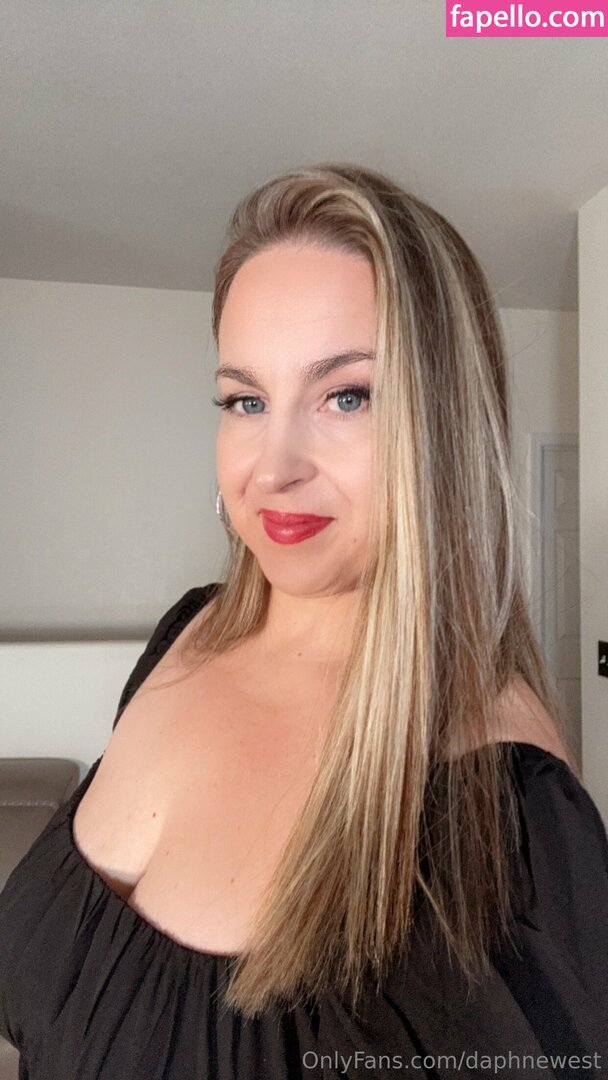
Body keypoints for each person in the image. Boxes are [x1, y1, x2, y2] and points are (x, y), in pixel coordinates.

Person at [0, 163, 606, 1080]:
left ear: (443, 428)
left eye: (346, 395)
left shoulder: (500, 806)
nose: (272, 466)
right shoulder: (186, 634)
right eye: (246, 400)